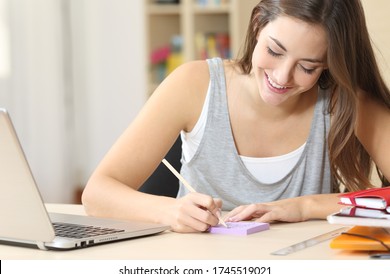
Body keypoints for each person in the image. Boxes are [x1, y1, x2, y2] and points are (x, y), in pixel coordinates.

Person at [82, 0, 390, 233]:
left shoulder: (342, 103)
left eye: (307, 67)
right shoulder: (193, 84)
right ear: (258, 24)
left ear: (328, 65)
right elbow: (97, 193)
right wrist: (170, 211)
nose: (282, 77)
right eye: (275, 50)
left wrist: (305, 206)